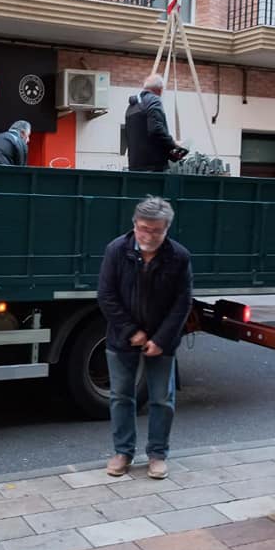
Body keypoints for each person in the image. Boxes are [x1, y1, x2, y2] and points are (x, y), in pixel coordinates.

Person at [97, 196, 193, 480]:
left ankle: (157, 454)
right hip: (121, 337)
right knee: (120, 396)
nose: (148, 236)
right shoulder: (116, 250)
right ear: (134, 224)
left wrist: (161, 339)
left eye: (156, 231)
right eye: (143, 228)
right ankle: (123, 452)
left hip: (163, 339)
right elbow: (106, 296)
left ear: (167, 229)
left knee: (162, 398)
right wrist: (132, 332)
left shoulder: (179, 256)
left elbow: (182, 302)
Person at [124, 74, 187, 172]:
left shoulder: (131, 107)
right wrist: (174, 146)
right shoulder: (153, 100)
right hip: (154, 167)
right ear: (160, 89)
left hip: (135, 167)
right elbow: (156, 130)